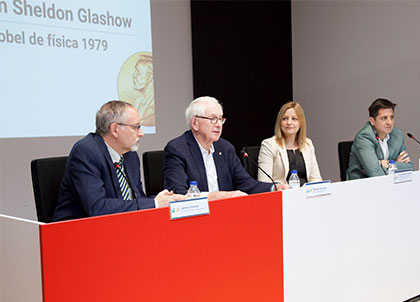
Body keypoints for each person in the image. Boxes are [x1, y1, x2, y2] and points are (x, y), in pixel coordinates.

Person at [53, 101, 183, 221]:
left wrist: (164, 200)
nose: (141, 133)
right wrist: (154, 203)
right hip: (77, 233)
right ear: (114, 129)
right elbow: (97, 207)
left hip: (119, 227)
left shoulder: (130, 155)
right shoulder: (86, 152)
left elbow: (136, 199)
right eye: (136, 127)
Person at [163, 96, 288, 195]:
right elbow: (178, 193)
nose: (218, 124)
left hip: (225, 214)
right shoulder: (177, 149)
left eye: (220, 119)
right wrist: (215, 196)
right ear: (195, 123)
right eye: (213, 119)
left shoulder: (225, 148)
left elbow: (244, 182)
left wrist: (274, 187)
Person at [257, 102, 322, 186]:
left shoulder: (308, 144)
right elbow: (264, 182)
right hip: (282, 195)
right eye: (285, 118)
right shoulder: (269, 145)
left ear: (301, 123)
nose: (289, 122)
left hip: (306, 194)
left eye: (294, 119)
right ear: (280, 122)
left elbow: (316, 178)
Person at [347, 98, 413, 179]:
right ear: (372, 121)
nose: (389, 122)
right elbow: (376, 173)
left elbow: (409, 167)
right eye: (384, 118)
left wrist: (384, 163)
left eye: (391, 117)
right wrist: (394, 165)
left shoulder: (397, 135)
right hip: (362, 186)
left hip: (389, 185)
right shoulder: (364, 138)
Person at [132, 55, 155, 126]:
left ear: (150, 77)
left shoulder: (154, 104)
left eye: (138, 72)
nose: (133, 75)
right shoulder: (137, 102)